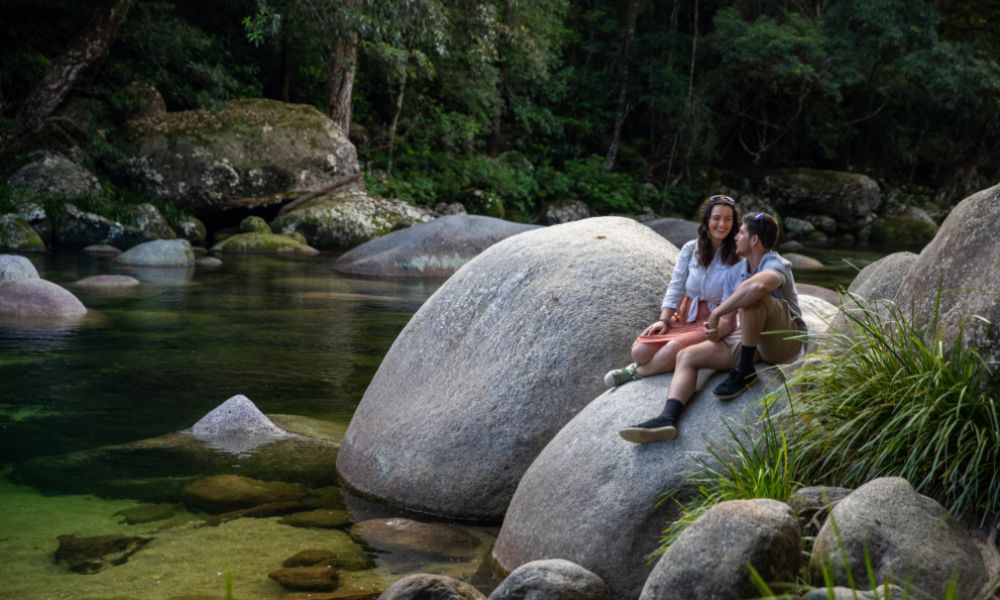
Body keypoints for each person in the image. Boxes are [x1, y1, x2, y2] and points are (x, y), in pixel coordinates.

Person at [619, 212, 806, 444]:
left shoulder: (775, 262)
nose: (735, 236)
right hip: (752, 338)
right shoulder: (737, 270)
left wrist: (717, 312)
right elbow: (729, 319)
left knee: (753, 298)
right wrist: (715, 331)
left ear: (754, 240)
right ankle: (667, 419)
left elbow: (758, 287)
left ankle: (745, 370)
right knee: (687, 355)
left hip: (785, 341)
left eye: (741, 232)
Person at [603, 195, 743, 387]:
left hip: (712, 321)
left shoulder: (738, 257)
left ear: (734, 223)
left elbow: (730, 304)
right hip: (684, 316)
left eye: (728, 219)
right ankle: (643, 364)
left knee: (672, 349)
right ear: (707, 220)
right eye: (716, 218)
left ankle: (636, 372)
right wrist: (664, 319)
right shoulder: (690, 249)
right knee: (640, 351)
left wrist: (719, 330)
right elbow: (676, 286)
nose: (722, 224)